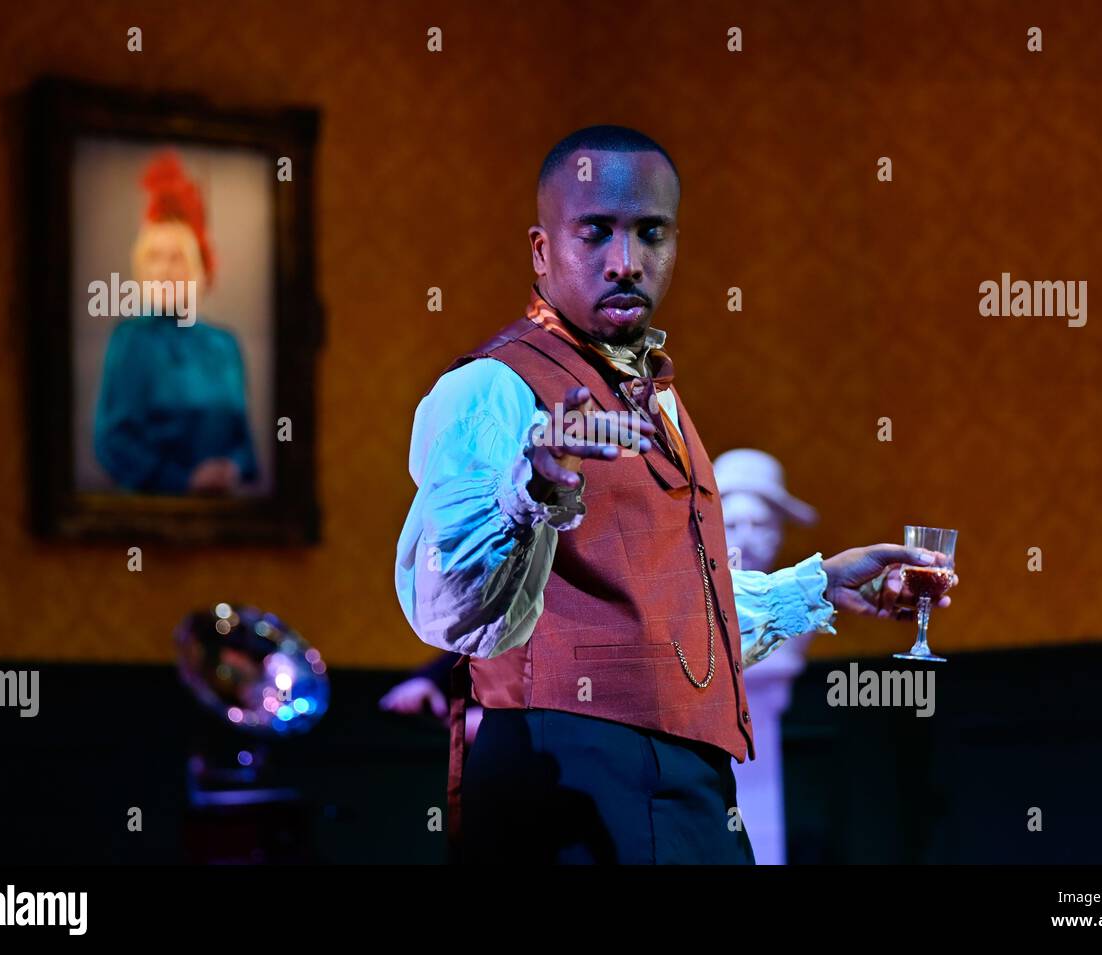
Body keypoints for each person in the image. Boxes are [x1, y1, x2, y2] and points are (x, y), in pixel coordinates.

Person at [394, 125, 953, 864]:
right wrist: (521, 488)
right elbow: (442, 605)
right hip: (566, 782)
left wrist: (818, 584)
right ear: (541, 250)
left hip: (684, 783)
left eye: (649, 233)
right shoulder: (492, 386)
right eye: (595, 232)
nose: (625, 262)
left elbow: (666, 622)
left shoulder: (656, 397)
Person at [94, 151, 259, 495]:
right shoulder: (132, 341)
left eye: (177, 258)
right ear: (141, 269)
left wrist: (231, 468)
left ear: (200, 269)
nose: (166, 269)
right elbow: (112, 441)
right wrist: (182, 481)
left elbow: (243, 443)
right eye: (155, 258)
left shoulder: (224, 345)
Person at [715, 448, 817, 866]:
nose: (746, 537)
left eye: (759, 524)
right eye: (733, 524)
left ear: (778, 532)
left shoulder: (800, 612)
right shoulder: (690, 611)